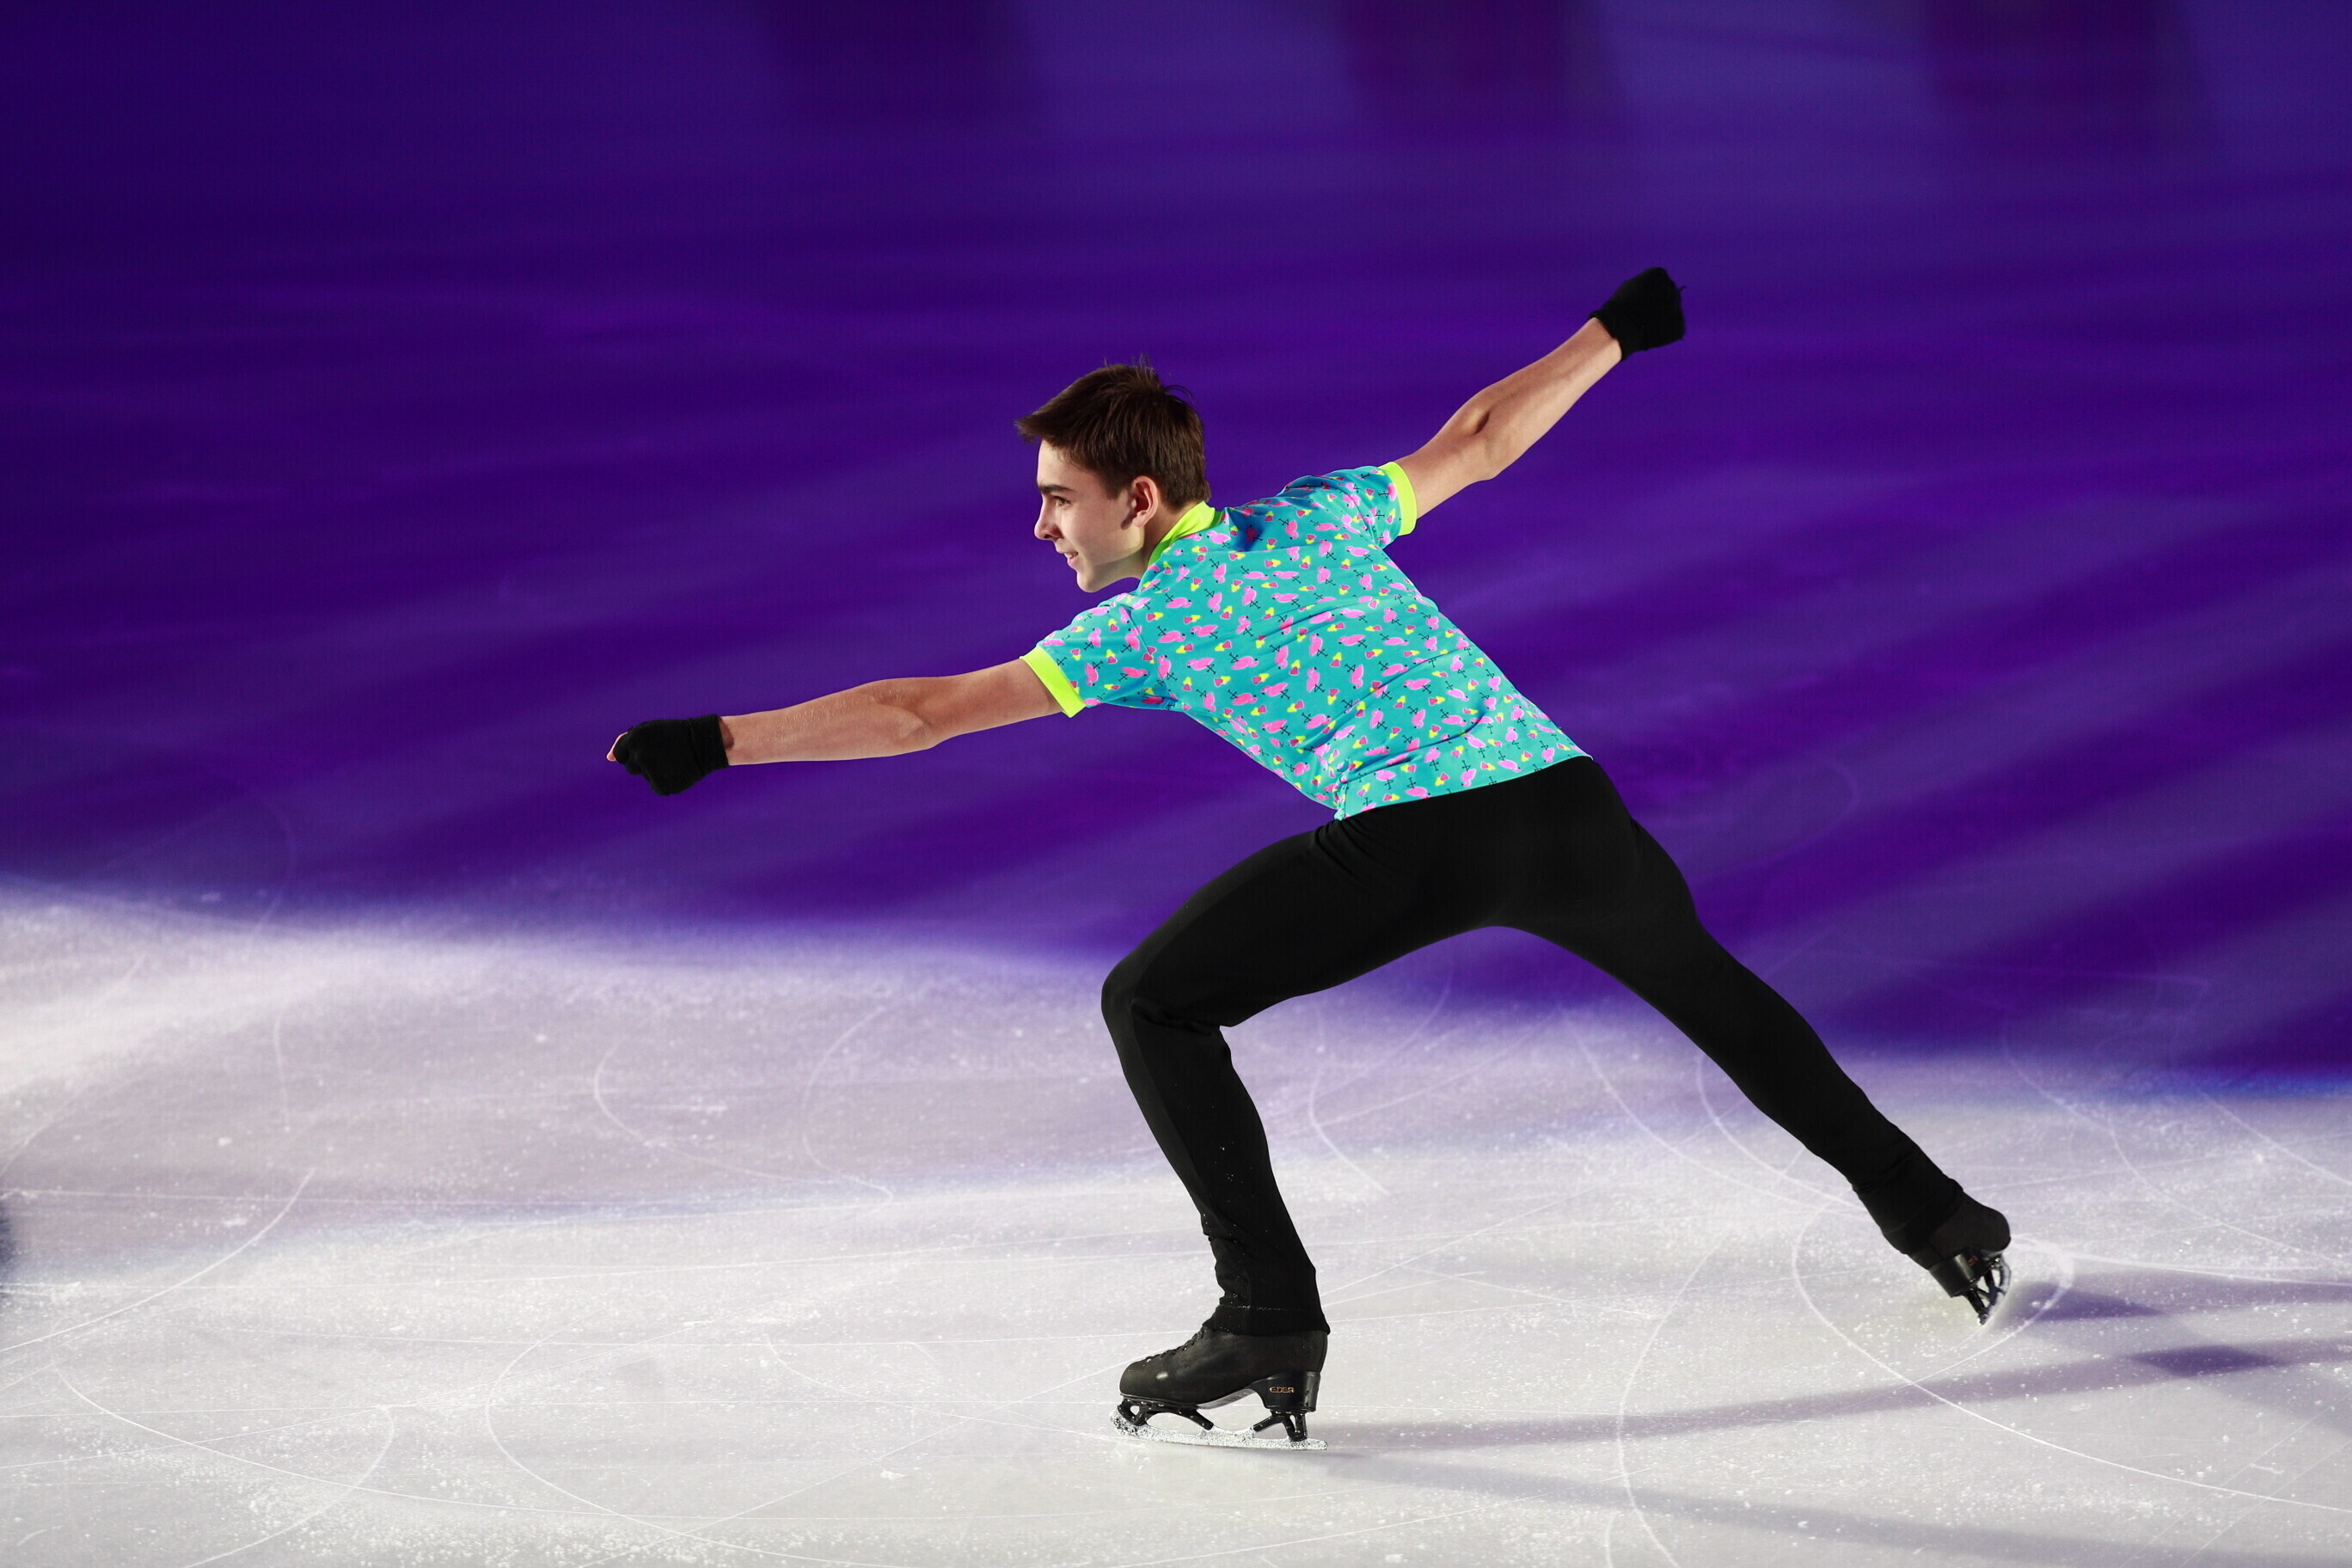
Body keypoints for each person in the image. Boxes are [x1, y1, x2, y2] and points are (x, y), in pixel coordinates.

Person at [607, 268, 2011, 1449]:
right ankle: (1937, 1214)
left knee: (1154, 1003)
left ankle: (1268, 1314)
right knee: (1722, 1002)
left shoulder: (1132, 628)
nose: (1041, 527)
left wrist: (723, 741)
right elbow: (1478, 441)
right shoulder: (1322, 513)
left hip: (1420, 836)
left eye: (1058, 500)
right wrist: (1613, 334)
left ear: (1137, 499)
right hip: (1569, 805)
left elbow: (923, 715)